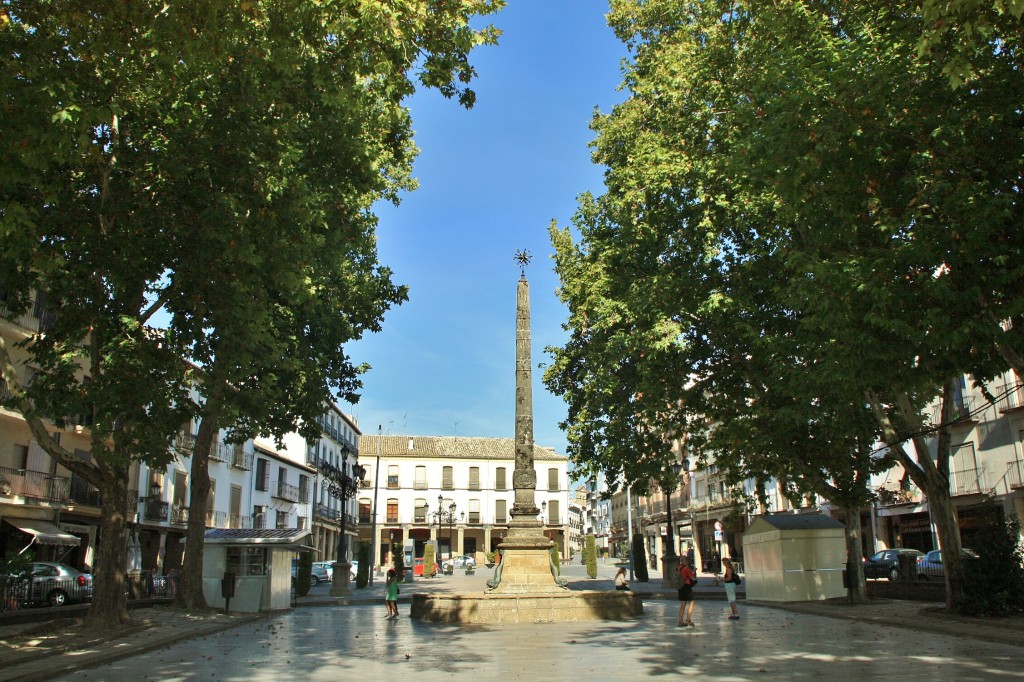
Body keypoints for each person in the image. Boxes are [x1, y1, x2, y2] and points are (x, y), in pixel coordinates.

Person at [677, 556, 697, 627]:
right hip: (686, 587)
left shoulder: (679, 568)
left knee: (683, 604)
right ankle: (688, 619)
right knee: (692, 602)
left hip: (680, 587)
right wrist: (694, 572)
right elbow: (692, 577)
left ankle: (680, 621)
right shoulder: (686, 569)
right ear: (686, 561)